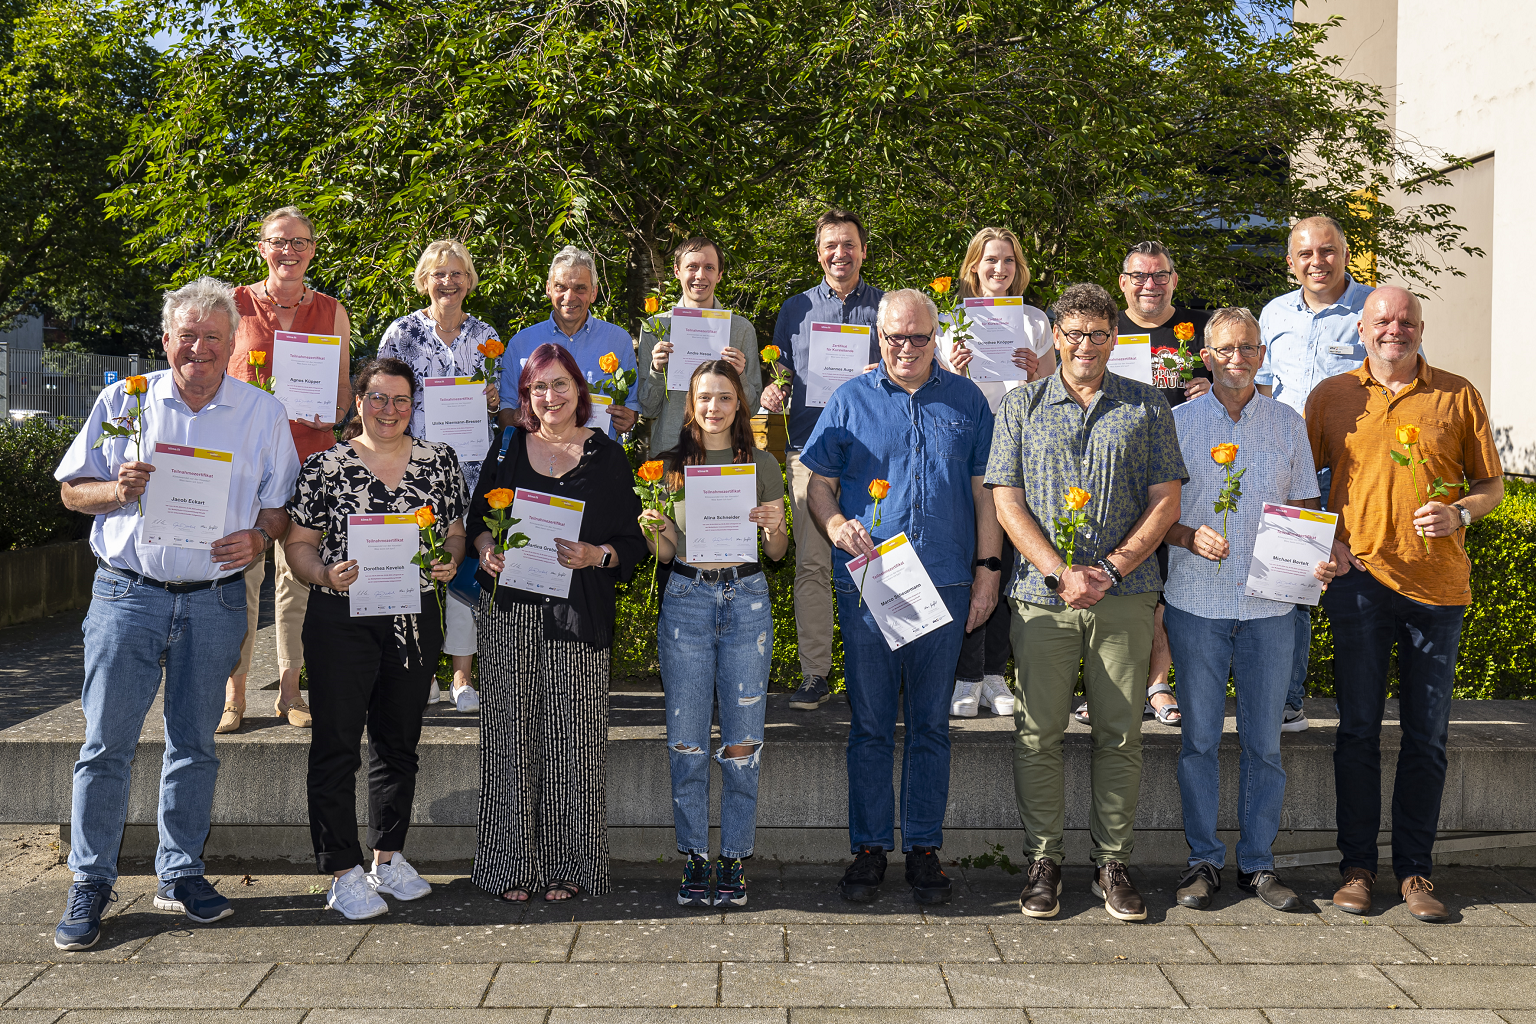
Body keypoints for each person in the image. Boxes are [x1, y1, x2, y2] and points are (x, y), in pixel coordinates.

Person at [52, 277, 299, 950]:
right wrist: (113, 489)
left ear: (232, 344)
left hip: (215, 600)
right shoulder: (124, 402)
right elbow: (74, 493)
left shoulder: (261, 414)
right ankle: (91, 880)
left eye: (213, 337)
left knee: (195, 746)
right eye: (186, 335)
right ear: (166, 341)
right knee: (105, 746)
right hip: (127, 596)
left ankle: (181, 871)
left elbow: (280, 509)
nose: (199, 348)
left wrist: (259, 537)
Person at [986, 282, 1185, 922]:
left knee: (1120, 735)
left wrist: (1107, 567)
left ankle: (1112, 863)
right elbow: (1006, 500)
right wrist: (1057, 573)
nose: (1085, 346)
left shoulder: (1149, 406)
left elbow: (1165, 501)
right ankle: (1044, 861)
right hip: (1042, 599)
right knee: (1038, 733)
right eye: (1073, 334)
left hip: (1124, 595)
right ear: (1056, 338)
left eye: (1098, 334)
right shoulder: (1021, 405)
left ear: (1113, 337)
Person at [1307, 286, 1503, 922]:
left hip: (1438, 589)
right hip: (1359, 584)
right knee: (1358, 730)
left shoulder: (1458, 393)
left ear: (1422, 328)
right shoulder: (1332, 398)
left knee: (1428, 736)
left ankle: (1416, 871)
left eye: (1407, 321)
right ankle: (1357, 867)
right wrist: (1325, 539)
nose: (1395, 329)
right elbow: (1299, 485)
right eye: (1383, 320)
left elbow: (1491, 484)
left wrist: (1461, 512)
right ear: (1361, 329)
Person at [800, 288, 999, 905]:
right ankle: (867, 849)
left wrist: (989, 570)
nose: (906, 348)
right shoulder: (849, 399)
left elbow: (987, 495)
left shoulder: (967, 401)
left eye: (918, 337)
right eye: (895, 337)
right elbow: (819, 486)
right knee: (870, 726)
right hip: (870, 583)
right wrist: (834, 525)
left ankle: (923, 847)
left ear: (937, 336)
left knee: (931, 726)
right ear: (877, 336)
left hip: (946, 580)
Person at [1161, 307, 1335, 912]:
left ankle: (1258, 865)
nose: (1239, 358)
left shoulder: (1288, 424)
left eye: (1250, 348)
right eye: (1226, 349)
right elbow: (1153, 513)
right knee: (1200, 741)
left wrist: (1317, 555)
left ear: (1264, 356)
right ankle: (1203, 861)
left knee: (1264, 745)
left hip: (1270, 609)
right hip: (1196, 605)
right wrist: (1186, 535)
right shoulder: (1176, 422)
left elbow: (1307, 506)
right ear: (1206, 357)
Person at [284, 357, 466, 920]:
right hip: (341, 619)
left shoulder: (440, 462)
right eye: (377, 398)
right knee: (336, 744)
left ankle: (387, 857)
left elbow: (456, 534)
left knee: (398, 743)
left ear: (415, 406)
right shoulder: (324, 467)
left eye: (401, 400)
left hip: (412, 619)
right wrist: (322, 574)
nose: (389, 410)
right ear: (357, 401)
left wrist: (447, 562)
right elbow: (297, 546)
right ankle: (341, 869)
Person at [469, 343, 648, 902]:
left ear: (580, 390)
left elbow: (633, 543)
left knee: (573, 745)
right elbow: (478, 522)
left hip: (578, 616)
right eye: (539, 387)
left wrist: (598, 555)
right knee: (508, 742)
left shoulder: (607, 457)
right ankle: (510, 868)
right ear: (527, 395)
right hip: (510, 615)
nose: (551, 397)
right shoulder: (507, 450)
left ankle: (574, 866)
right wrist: (486, 551)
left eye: (561, 385)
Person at [641, 361, 787, 907]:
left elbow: (776, 554)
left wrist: (774, 526)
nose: (713, 407)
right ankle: (695, 856)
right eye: (704, 397)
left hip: (747, 600)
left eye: (724, 397)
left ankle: (734, 857)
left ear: (739, 403)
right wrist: (658, 529)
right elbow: (666, 555)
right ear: (691, 403)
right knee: (686, 738)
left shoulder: (762, 462)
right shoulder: (669, 467)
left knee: (743, 738)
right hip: (687, 600)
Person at [221, 205, 354, 733]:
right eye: (279, 242)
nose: (289, 251)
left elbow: (343, 388)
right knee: (240, 578)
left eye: (300, 242)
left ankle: (291, 692)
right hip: (246, 464)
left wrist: (336, 413)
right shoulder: (234, 304)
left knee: (296, 581)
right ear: (261, 248)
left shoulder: (332, 311)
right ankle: (234, 698)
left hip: (310, 461)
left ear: (313, 250)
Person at [1069, 241, 1212, 730]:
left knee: (1169, 585)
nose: (1150, 284)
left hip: (1182, 474)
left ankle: (1157, 683)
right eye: (1139, 276)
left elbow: (1246, 380)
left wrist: (1208, 389)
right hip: (1114, 478)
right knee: (1113, 578)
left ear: (1174, 279)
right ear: (1123, 281)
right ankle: (1112, 685)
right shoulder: (1109, 330)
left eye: (1160, 275)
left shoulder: (1198, 328)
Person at [1255, 216, 1375, 734]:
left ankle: (1363, 706)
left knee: (1356, 588)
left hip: (1351, 471)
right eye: (1305, 254)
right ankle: (1288, 700)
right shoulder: (1274, 312)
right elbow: (1261, 388)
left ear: (1345, 254)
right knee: (1290, 583)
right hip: (1287, 468)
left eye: (1327, 251)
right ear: (1290, 263)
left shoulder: (1374, 311)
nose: (1317, 262)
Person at [761, 209, 883, 711]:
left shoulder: (886, 307)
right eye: (831, 245)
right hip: (811, 453)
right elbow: (783, 375)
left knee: (873, 561)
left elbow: (914, 367)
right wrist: (773, 390)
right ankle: (815, 672)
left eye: (849, 244)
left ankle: (875, 673)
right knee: (811, 566)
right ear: (819, 253)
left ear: (863, 250)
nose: (840, 253)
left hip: (874, 454)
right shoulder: (795, 309)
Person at [377, 239, 502, 713]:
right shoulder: (402, 333)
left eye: (457, 274)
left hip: (473, 470)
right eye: (438, 274)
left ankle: (462, 676)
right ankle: (421, 668)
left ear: (470, 280)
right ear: (423, 280)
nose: (448, 283)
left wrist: (492, 398)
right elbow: (383, 397)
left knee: (466, 566)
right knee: (419, 566)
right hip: (415, 469)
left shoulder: (486, 335)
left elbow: (502, 404)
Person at [938, 226, 1054, 718]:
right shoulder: (949, 322)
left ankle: (992, 674)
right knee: (969, 560)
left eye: (1008, 260)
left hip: (1020, 453)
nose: (999, 269)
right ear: (973, 267)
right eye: (990, 260)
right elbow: (935, 392)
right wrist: (957, 373)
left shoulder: (1034, 321)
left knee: (1008, 563)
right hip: (966, 452)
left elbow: (1055, 393)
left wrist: (1036, 374)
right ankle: (964, 675)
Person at [637, 236, 764, 456]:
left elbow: (751, 409)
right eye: (692, 267)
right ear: (677, 271)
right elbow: (647, 408)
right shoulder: (655, 327)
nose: (700, 275)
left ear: (719, 275)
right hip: (670, 452)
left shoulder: (741, 330)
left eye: (709, 267)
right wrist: (657, 372)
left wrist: (739, 375)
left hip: (725, 454)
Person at [496, 246, 639, 438]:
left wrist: (629, 418)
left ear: (594, 293)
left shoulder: (618, 341)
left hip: (599, 460)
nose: (569, 297)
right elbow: (504, 416)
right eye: (561, 287)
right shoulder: (520, 344)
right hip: (537, 460)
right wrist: (536, 410)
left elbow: (632, 406)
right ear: (548, 289)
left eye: (580, 288)